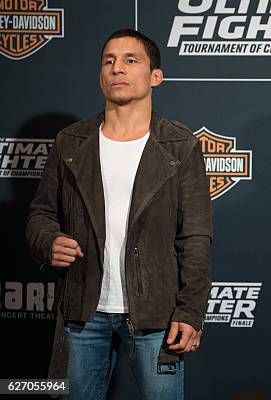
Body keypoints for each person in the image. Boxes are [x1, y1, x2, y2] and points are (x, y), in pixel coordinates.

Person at [25, 29, 212, 399]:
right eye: (108, 61)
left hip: (156, 317)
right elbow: (40, 215)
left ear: (155, 77)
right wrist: (48, 241)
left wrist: (191, 311)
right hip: (83, 312)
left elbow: (195, 236)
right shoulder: (70, 142)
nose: (117, 68)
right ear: (100, 75)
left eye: (130, 60)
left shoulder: (180, 145)